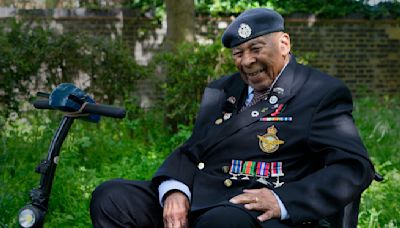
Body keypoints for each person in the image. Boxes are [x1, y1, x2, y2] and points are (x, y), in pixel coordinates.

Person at [90, 8, 375, 228]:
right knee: (112, 197)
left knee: (222, 222)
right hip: (202, 197)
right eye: (238, 53)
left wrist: (283, 200)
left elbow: (353, 167)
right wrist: (174, 190)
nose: (247, 61)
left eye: (256, 49)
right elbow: (194, 149)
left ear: (284, 43)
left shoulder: (319, 91)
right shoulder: (223, 89)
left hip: (256, 213)